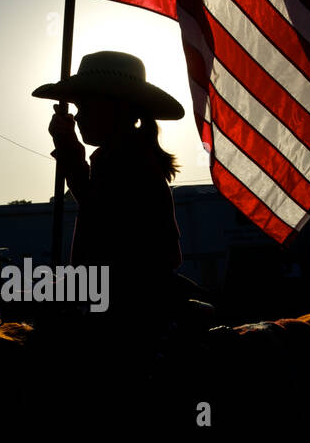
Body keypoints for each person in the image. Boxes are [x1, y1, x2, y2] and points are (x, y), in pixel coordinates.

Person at [32, 50, 207, 330]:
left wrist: (68, 148)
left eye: (85, 107)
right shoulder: (123, 155)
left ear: (115, 109)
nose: (78, 117)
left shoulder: (128, 160)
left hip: (133, 307)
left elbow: (103, 226)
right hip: (126, 295)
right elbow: (96, 207)